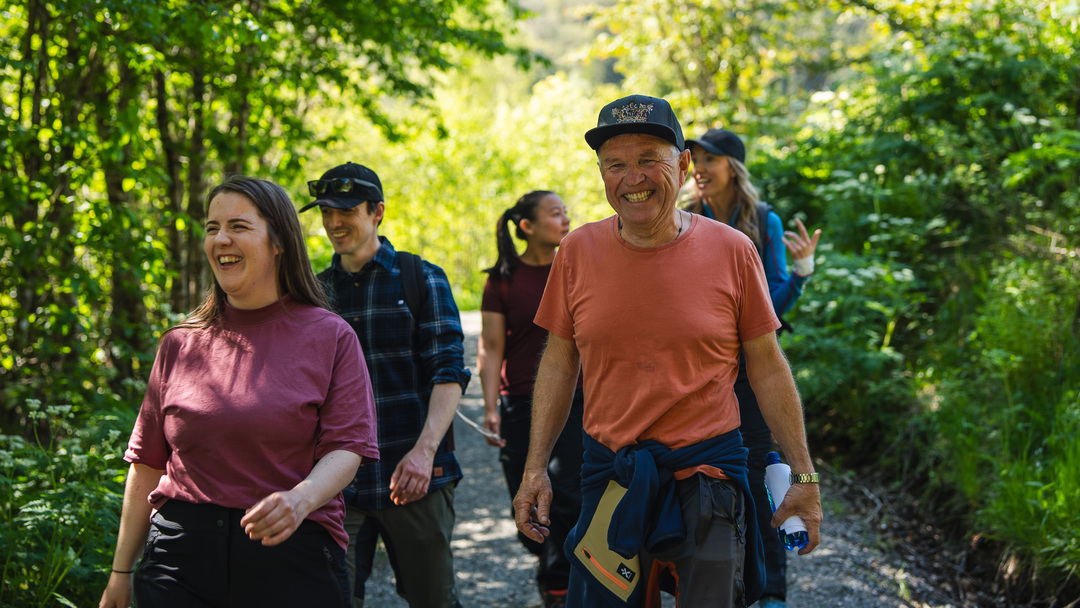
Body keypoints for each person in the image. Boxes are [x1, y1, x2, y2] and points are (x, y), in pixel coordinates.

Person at [512, 94, 823, 608]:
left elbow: (767, 365)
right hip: (612, 473)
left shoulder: (732, 250)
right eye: (616, 164)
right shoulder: (577, 253)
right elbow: (560, 362)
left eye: (648, 160)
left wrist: (805, 477)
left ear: (680, 167)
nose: (632, 178)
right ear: (602, 173)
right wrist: (534, 468)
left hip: (709, 477)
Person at [99, 176, 380, 608]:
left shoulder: (331, 336)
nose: (221, 239)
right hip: (178, 559)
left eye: (239, 226)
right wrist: (120, 572)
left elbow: (348, 447)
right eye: (212, 228)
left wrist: (300, 499)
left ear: (279, 241)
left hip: (290, 551)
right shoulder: (179, 342)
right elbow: (147, 463)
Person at [301, 162, 471, 608]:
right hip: (340, 487)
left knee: (433, 599)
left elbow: (449, 370)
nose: (334, 223)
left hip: (415, 476)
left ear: (377, 212)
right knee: (332, 597)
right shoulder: (313, 295)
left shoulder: (421, 278)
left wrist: (424, 451)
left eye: (346, 211)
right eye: (325, 213)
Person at [684, 128, 821, 608]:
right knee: (704, 472)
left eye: (711, 159)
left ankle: (771, 593)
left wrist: (800, 276)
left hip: (752, 372)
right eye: (695, 158)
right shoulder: (682, 220)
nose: (700, 167)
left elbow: (773, 306)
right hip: (699, 371)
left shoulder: (763, 221)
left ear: (733, 166)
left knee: (765, 473)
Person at [477, 191, 584, 608]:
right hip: (521, 403)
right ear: (527, 227)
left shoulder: (574, 267)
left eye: (565, 212)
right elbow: (490, 346)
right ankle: (550, 563)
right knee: (528, 501)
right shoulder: (502, 279)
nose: (565, 219)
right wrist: (490, 408)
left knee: (569, 494)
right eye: (555, 214)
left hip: (577, 400)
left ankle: (561, 584)